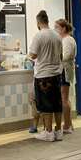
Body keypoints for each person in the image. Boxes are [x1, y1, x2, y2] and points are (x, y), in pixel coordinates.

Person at [28, 10, 64, 141]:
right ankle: (58, 131)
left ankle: (48, 132)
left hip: (43, 75)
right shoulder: (57, 35)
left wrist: (28, 57)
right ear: (47, 21)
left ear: (38, 22)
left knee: (46, 104)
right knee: (57, 103)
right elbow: (61, 56)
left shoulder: (39, 36)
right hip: (56, 74)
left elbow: (33, 55)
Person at [55, 19, 76, 134]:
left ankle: (67, 125)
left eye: (57, 27)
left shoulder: (67, 40)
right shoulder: (66, 39)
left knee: (64, 99)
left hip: (64, 71)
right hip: (65, 71)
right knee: (65, 98)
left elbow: (66, 56)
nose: (55, 30)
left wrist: (55, 58)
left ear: (63, 28)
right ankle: (69, 124)